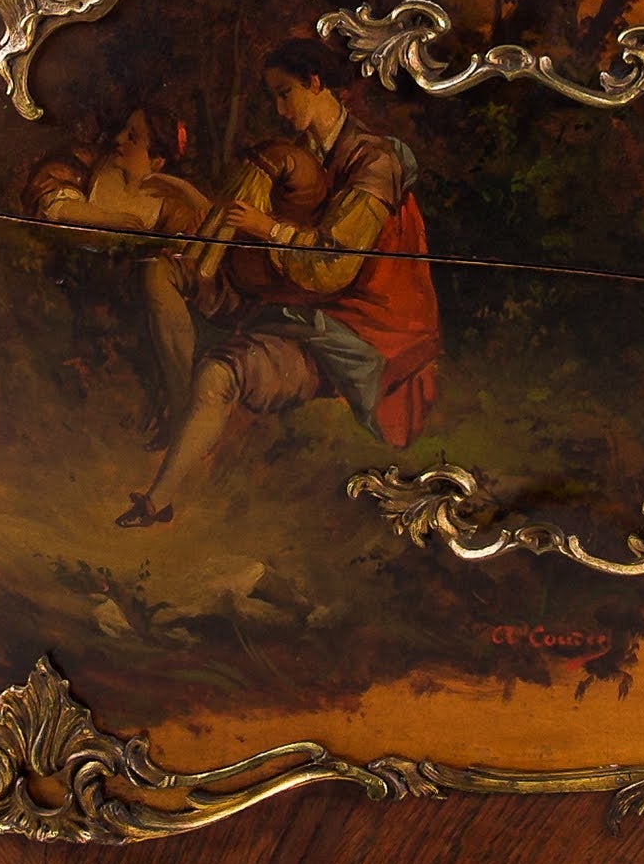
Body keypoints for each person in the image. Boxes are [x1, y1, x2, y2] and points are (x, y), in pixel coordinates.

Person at [121, 36, 438, 525]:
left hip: (355, 325)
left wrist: (264, 228)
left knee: (220, 371)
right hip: (289, 299)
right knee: (163, 270)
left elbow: (334, 264)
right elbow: (244, 237)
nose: (278, 107)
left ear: (316, 84)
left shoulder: (376, 164)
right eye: (272, 96)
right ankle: (182, 406)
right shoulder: (296, 154)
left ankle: (156, 500)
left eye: (284, 92)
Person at [29, 106, 211, 434]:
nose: (118, 139)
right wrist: (109, 220)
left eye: (133, 138)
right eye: (124, 130)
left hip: (128, 311)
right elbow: (53, 205)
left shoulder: (170, 206)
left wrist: (181, 189)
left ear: (157, 161)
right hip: (71, 286)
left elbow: (207, 241)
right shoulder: (90, 165)